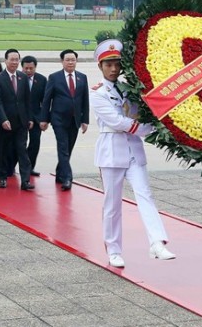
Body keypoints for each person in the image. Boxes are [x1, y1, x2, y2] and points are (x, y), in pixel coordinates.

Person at [90, 39, 176, 268]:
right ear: (100, 66)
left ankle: (157, 242)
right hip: (112, 150)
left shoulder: (130, 89)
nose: (113, 68)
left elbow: (140, 113)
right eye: (108, 64)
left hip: (134, 151)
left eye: (117, 64)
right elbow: (117, 121)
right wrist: (149, 129)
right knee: (112, 203)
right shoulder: (97, 93)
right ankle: (114, 249)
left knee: (145, 195)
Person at [40, 49, 89, 191]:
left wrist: (85, 120)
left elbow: (85, 100)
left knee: (68, 148)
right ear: (62, 61)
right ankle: (67, 178)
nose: (70, 62)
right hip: (58, 119)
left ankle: (60, 173)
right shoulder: (54, 77)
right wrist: (44, 119)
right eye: (67, 60)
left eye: (73, 60)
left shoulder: (82, 77)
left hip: (75, 120)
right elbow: (47, 99)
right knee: (63, 148)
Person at [0, 49, 34, 190]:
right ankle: (3, 176)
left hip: (21, 122)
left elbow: (27, 101)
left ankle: (25, 180)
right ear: (5, 61)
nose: (15, 62)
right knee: (3, 150)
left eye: (17, 59)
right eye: (12, 59)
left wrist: (29, 118)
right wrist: (3, 119)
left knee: (22, 150)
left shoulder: (23, 77)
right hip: (5, 122)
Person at [22, 55, 46, 177]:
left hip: (37, 117)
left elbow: (45, 101)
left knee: (35, 143)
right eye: (26, 68)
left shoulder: (42, 80)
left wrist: (45, 118)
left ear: (35, 67)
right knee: (20, 144)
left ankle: (30, 167)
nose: (28, 71)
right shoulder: (18, 79)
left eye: (31, 68)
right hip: (20, 117)